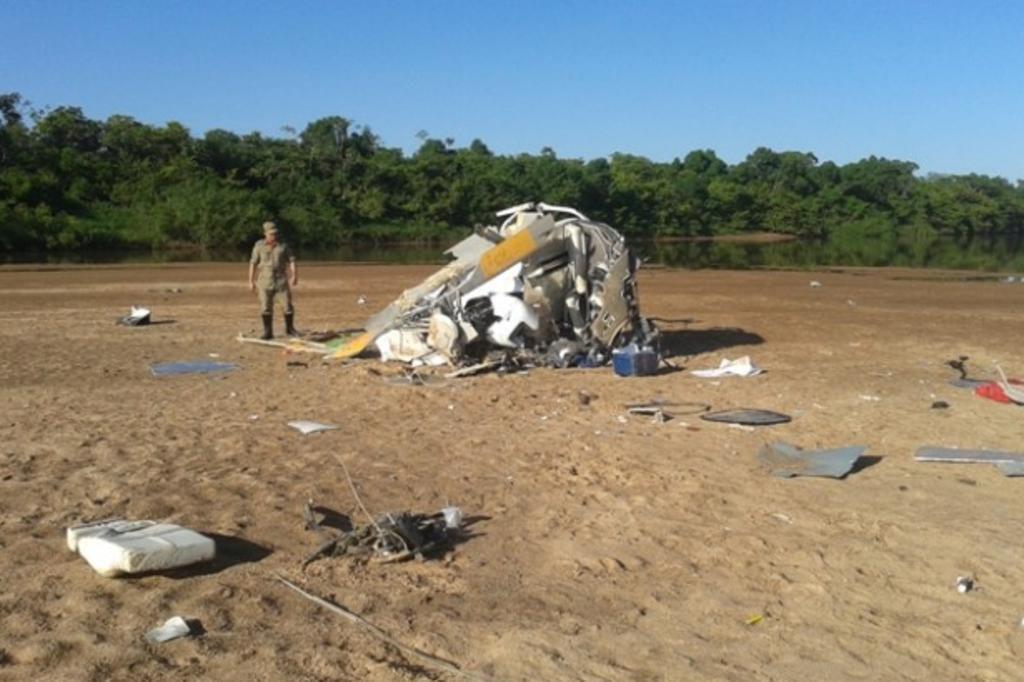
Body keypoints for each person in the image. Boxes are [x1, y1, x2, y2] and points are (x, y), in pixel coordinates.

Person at [248, 221, 298, 339]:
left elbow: (291, 260)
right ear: (265, 233)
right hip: (265, 281)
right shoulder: (259, 246)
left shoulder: (283, 246)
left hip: (281, 280)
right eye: (271, 234)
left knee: (287, 306)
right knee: (266, 306)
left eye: (275, 234)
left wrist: (294, 275)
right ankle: (268, 332)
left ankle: (290, 329)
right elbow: (253, 263)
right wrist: (250, 281)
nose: (273, 236)